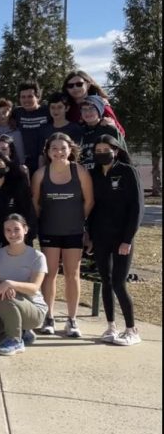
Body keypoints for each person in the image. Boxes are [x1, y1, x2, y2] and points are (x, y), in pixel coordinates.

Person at [31, 133, 94, 338]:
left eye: (63, 148)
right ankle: (48, 317)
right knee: (49, 275)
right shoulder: (40, 174)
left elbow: (89, 201)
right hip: (49, 231)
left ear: (70, 149)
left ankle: (72, 320)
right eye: (54, 148)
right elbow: (35, 204)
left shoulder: (80, 171)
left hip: (73, 232)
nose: (58, 152)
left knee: (72, 275)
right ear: (48, 152)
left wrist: (77, 221)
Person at [87, 136, 143, 346]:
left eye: (106, 149)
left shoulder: (128, 171)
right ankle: (111, 326)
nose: (102, 153)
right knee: (106, 281)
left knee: (119, 283)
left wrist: (127, 239)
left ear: (116, 150)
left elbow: (137, 208)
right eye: (98, 149)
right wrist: (90, 236)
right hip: (100, 237)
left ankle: (131, 329)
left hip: (122, 238)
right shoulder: (94, 174)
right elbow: (93, 208)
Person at [0, 214, 48, 356]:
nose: (12, 234)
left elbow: (34, 288)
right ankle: (20, 331)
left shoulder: (37, 256)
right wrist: (3, 287)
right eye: (8, 230)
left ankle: (16, 341)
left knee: (6, 294)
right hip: (6, 306)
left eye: (16, 229)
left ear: (25, 229)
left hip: (33, 309)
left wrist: (10, 284)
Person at [0, 152, 36, 251]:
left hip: (18, 237)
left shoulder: (18, 187)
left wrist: (28, 236)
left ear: (7, 168)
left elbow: (28, 211)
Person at [61, 70, 124, 135]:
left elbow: (121, 132)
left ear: (88, 85)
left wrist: (111, 125)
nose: (75, 88)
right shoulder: (63, 108)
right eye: (70, 86)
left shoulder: (100, 104)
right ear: (67, 89)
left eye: (79, 84)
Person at [78, 95, 127, 171]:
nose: (87, 112)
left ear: (99, 110)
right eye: (84, 109)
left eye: (91, 108)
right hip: (85, 176)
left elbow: (123, 154)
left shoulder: (110, 129)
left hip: (107, 175)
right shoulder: (79, 131)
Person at [11, 81, 49, 175]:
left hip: (45, 160)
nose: (26, 100)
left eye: (30, 96)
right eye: (23, 97)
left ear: (38, 97)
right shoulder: (16, 113)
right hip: (24, 163)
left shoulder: (47, 111)